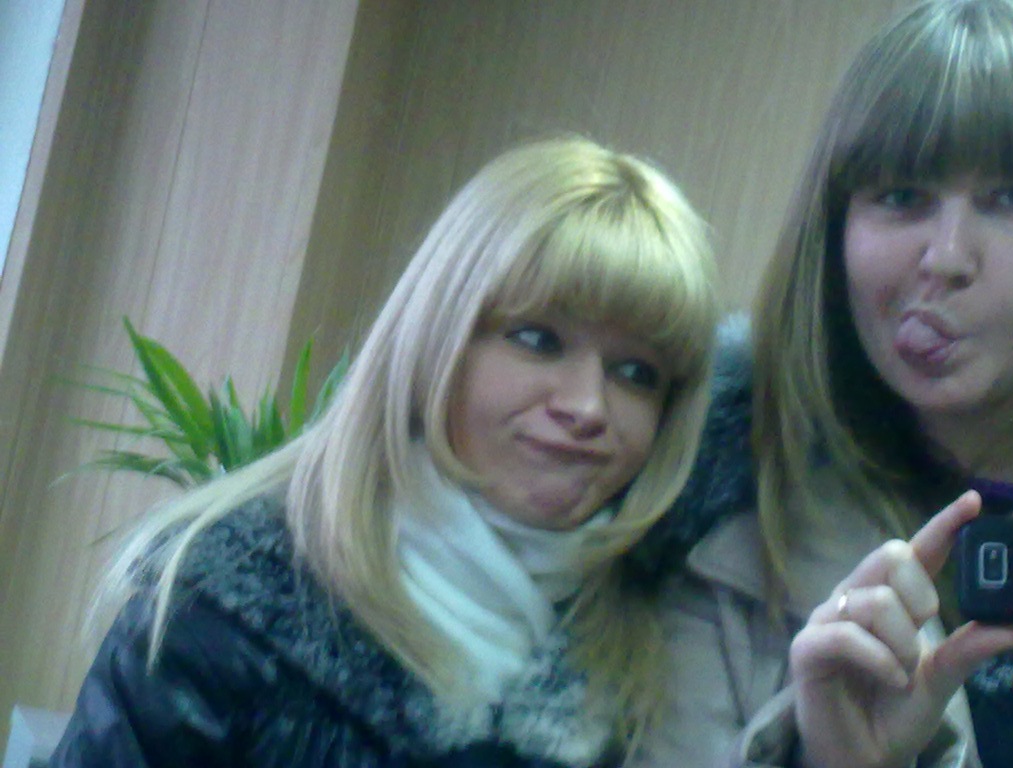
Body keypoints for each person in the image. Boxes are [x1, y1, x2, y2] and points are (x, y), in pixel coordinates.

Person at [49, 136, 719, 767]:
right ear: (435, 338)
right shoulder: (223, 606)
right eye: (539, 340)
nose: (588, 406)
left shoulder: (656, 665)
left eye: (637, 374)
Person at [633, 1, 1013, 766]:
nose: (947, 257)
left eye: (1012, 197)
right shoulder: (726, 521)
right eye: (901, 196)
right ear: (835, 229)